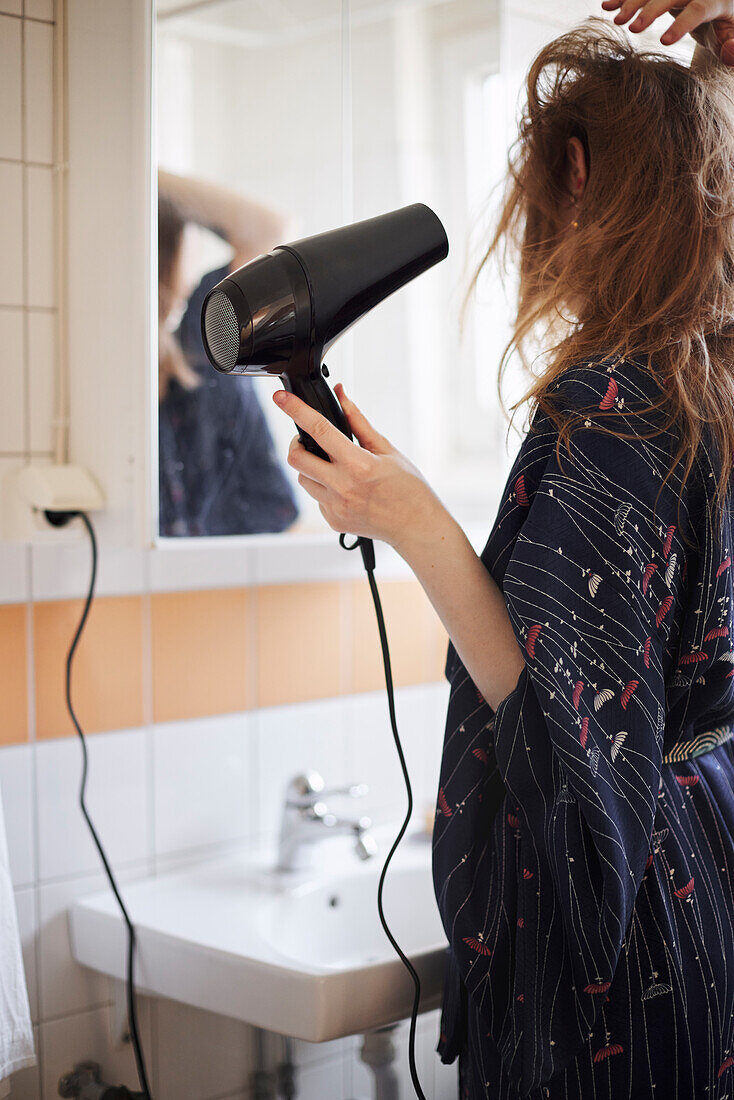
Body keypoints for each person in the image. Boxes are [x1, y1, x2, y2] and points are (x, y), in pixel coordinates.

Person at [271, 4, 734, 1097]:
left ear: (573, 174)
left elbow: (572, 756)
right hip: (700, 890)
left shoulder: (612, 403)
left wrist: (419, 526)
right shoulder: (704, 382)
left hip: (624, 969)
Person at [157, 170, 299, 536]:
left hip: (246, 569)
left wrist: (143, 169)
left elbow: (269, 229)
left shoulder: (199, 336)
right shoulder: (195, 344)